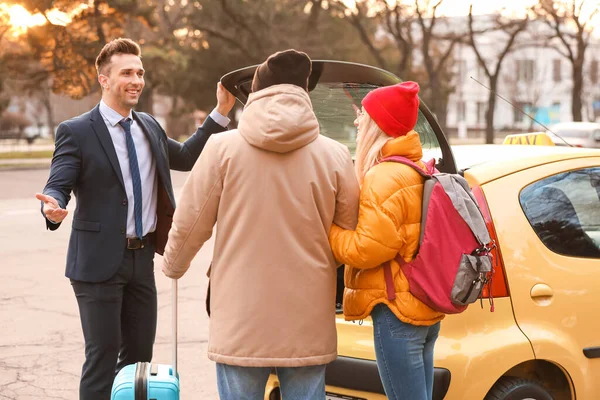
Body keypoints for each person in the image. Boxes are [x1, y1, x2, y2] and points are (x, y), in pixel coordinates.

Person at [35, 37, 235, 400]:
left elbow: (188, 156)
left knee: (139, 360)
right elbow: (58, 181)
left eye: (140, 73)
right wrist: (53, 206)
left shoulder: (148, 126)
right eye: (127, 72)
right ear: (104, 79)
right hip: (97, 265)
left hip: (141, 260)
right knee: (102, 357)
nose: (137, 80)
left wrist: (220, 112)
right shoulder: (77, 131)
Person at [161, 49, 360, 400]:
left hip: (240, 312)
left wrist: (173, 265)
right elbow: (349, 230)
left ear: (255, 92)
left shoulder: (221, 149)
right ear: (304, 94)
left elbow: (192, 220)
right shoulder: (335, 155)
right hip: (308, 312)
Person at [328, 82, 445, 400]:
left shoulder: (384, 177)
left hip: (398, 313)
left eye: (362, 115)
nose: (356, 122)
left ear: (379, 124)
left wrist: (329, 231)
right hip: (421, 305)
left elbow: (368, 249)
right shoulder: (416, 168)